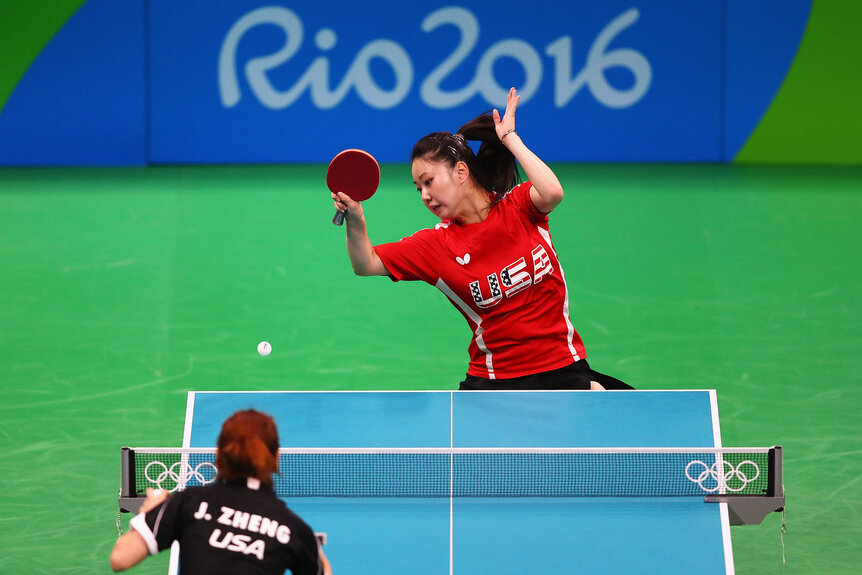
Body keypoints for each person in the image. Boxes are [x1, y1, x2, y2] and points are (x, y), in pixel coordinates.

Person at [332, 87, 632, 391]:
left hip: (562, 368)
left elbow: (553, 192)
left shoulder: (518, 205)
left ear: (461, 171)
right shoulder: (436, 246)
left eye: (429, 182)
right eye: (418, 188)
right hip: (494, 381)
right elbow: (365, 263)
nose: (424, 195)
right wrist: (356, 219)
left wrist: (510, 138)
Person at [110, 409, 333, 574]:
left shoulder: (189, 503)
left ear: (217, 455)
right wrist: (311, 548)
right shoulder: (291, 528)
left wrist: (150, 514)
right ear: (276, 458)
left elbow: (119, 559)